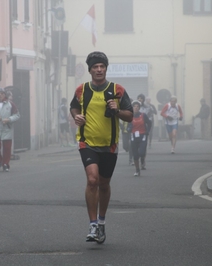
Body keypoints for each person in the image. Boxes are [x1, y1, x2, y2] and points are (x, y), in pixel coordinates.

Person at [69, 51, 133, 244]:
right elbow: (73, 107)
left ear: (106, 68)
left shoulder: (118, 90)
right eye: (95, 67)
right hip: (87, 142)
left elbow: (130, 116)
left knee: (104, 185)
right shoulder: (82, 90)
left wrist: (117, 110)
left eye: (102, 66)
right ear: (90, 70)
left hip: (109, 145)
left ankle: (102, 222)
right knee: (92, 180)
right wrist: (76, 116)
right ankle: (93, 224)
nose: (99, 70)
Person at [127, 100, 152, 176]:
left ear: (139, 108)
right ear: (132, 108)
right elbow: (128, 126)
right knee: (135, 155)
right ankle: (137, 170)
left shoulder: (143, 115)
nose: (136, 108)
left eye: (137, 106)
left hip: (143, 136)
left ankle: (143, 161)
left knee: (141, 152)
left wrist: (147, 131)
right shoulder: (130, 116)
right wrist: (128, 129)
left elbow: (149, 123)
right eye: (134, 106)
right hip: (134, 136)